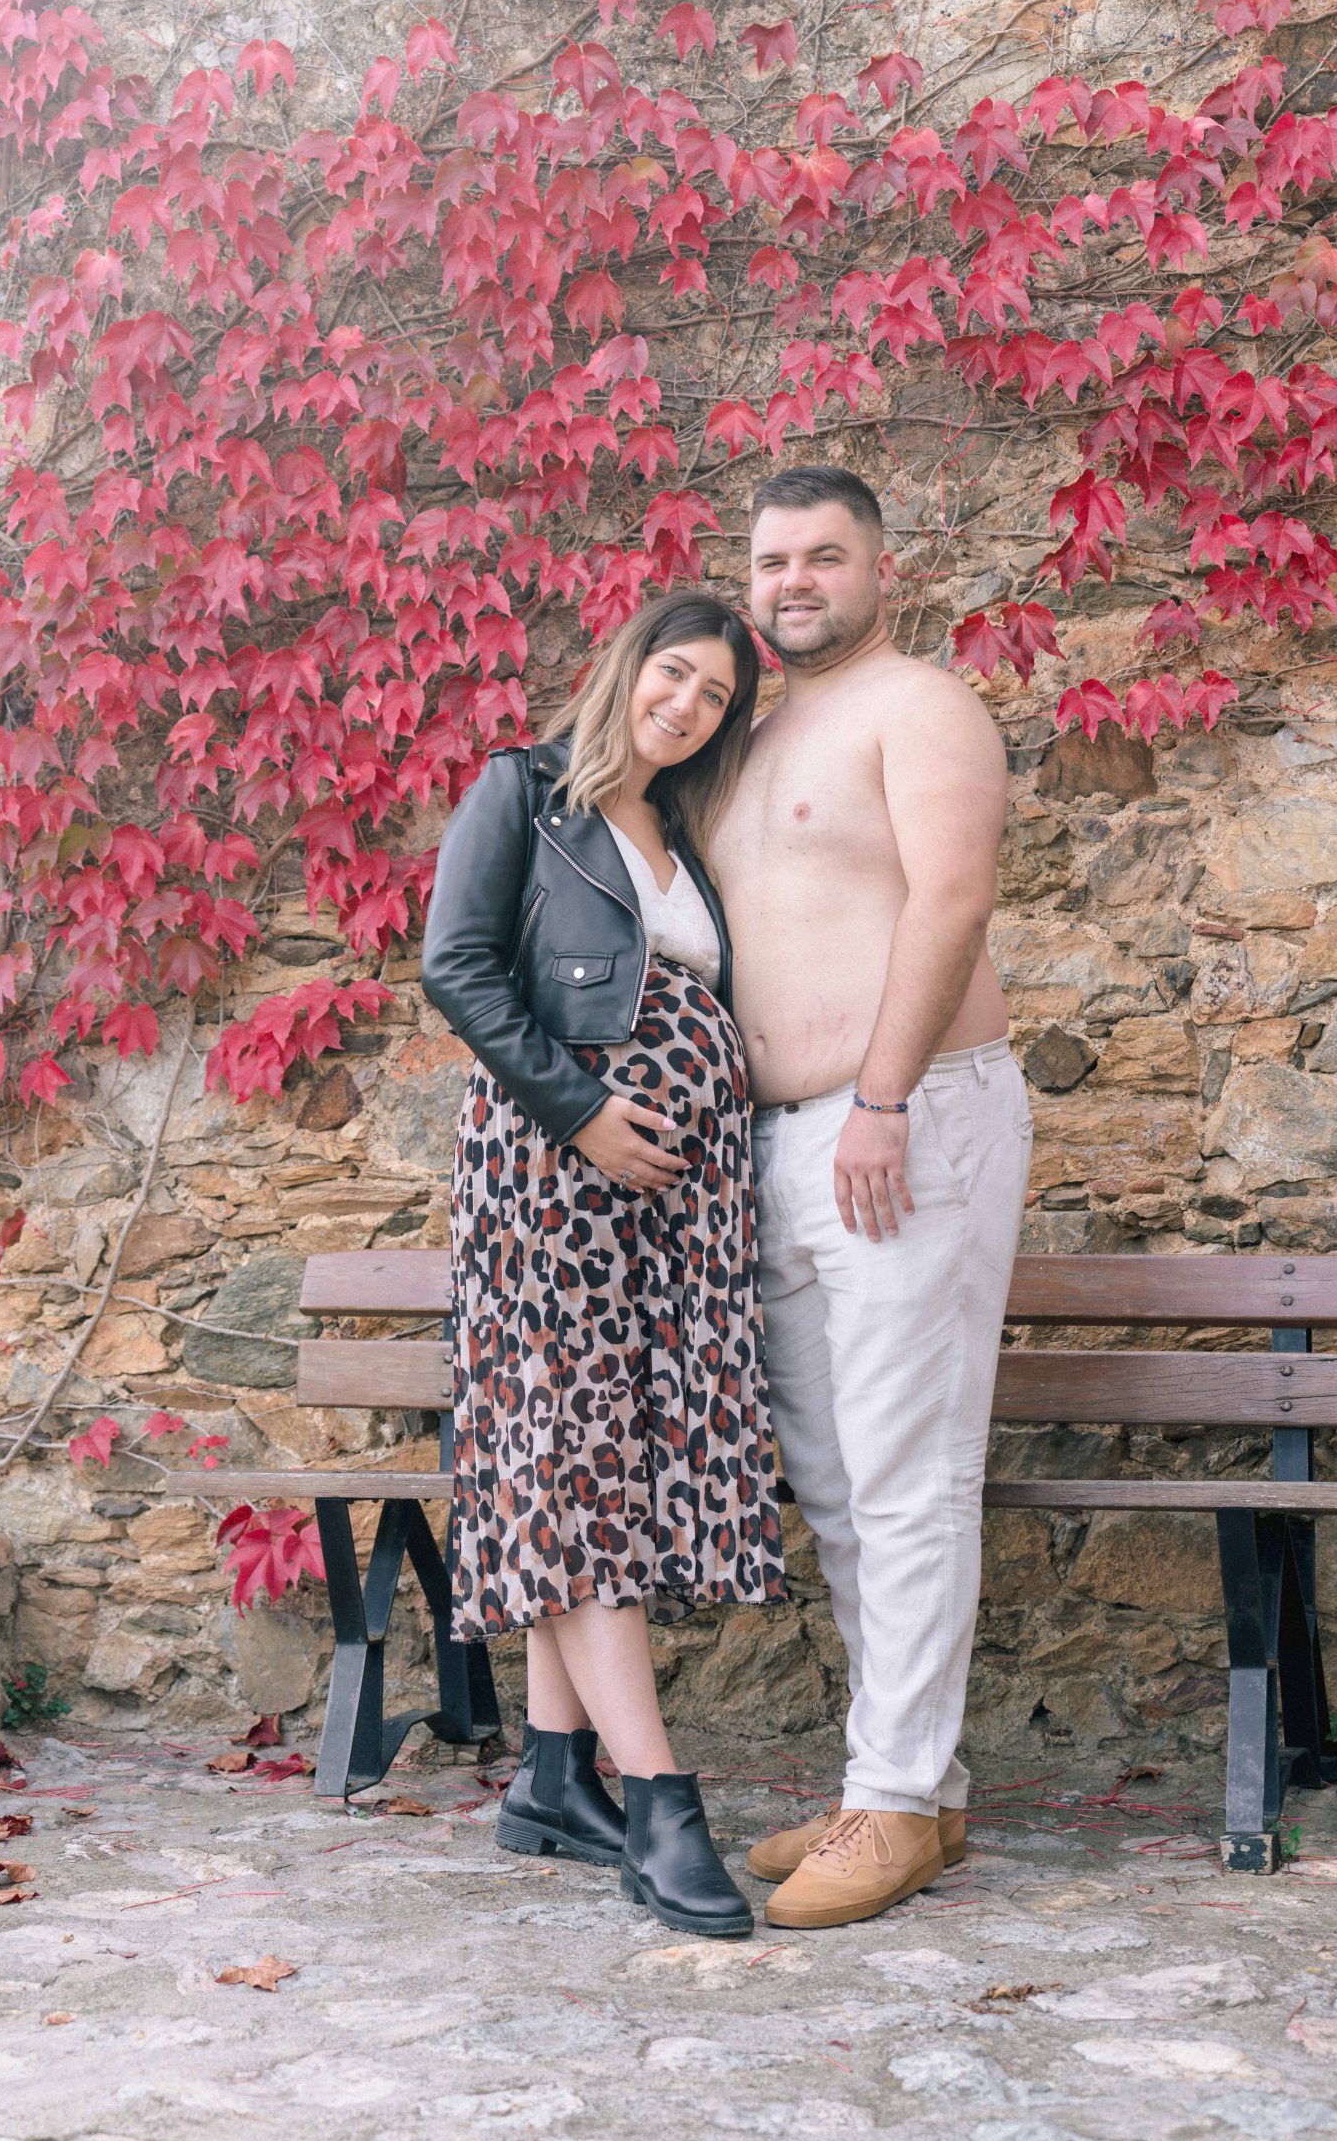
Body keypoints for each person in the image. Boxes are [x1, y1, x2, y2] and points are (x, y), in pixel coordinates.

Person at [421, 590, 785, 1941]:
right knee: (576, 1464)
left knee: (597, 1455)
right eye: (671, 675)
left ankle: (552, 1778)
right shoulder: (523, 790)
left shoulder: (681, 831)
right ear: (626, 667)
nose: (683, 706)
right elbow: (457, 968)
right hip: (556, 1175)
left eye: (713, 699)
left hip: (672, 1199)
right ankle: (661, 1799)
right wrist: (579, 1115)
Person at [709, 466, 1033, 1931]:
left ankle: (895, 1805)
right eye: (772, 560)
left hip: (906, 1121)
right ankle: (905, 1785)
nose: (793, 583)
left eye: (822, 557)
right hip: (782, 1143)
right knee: (838, 1488)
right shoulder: (760, 732)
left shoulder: (925, 707)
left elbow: (951, 899)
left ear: (879, 569)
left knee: (907, 1472)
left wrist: (886, 1098)